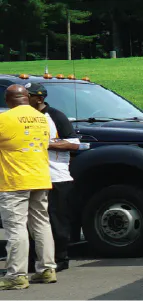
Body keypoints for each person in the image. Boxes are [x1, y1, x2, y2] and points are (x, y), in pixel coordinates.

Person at [0, 84, 55, 290]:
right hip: (40, 177)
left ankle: (16, 274)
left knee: (16, 227)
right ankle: (47, 269)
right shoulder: (42, 118)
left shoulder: (4, 119)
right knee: (41, 223)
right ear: (26, 98)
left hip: (15, 179)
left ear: (8, 100)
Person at [26, 83, 80, 273]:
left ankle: (60, 258)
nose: (24, 99)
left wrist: (44, 143)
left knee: (57, 219)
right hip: (32, 176)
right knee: (33, 221)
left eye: (28, 96)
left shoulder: (55, 116)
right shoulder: (24, 118)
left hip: (56, 176)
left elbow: (74, 145)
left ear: (39, 99)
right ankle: (35, 260)